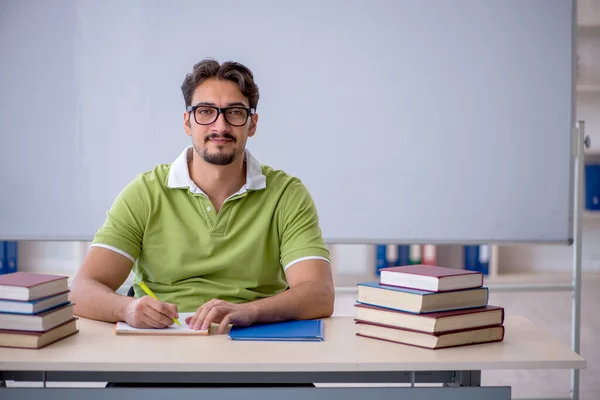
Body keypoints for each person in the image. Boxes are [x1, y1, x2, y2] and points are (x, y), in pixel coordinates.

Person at [70, 59, 334, 338]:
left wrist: (249, 312)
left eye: (234, 112)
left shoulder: (286, 194)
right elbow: (83, 289)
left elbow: (319, 294)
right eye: (206, 112)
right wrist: (127, 309)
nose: (220, 126)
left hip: (254, 339)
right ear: (187, 121)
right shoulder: (145, 193)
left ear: (252, 124)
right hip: (162, 342)